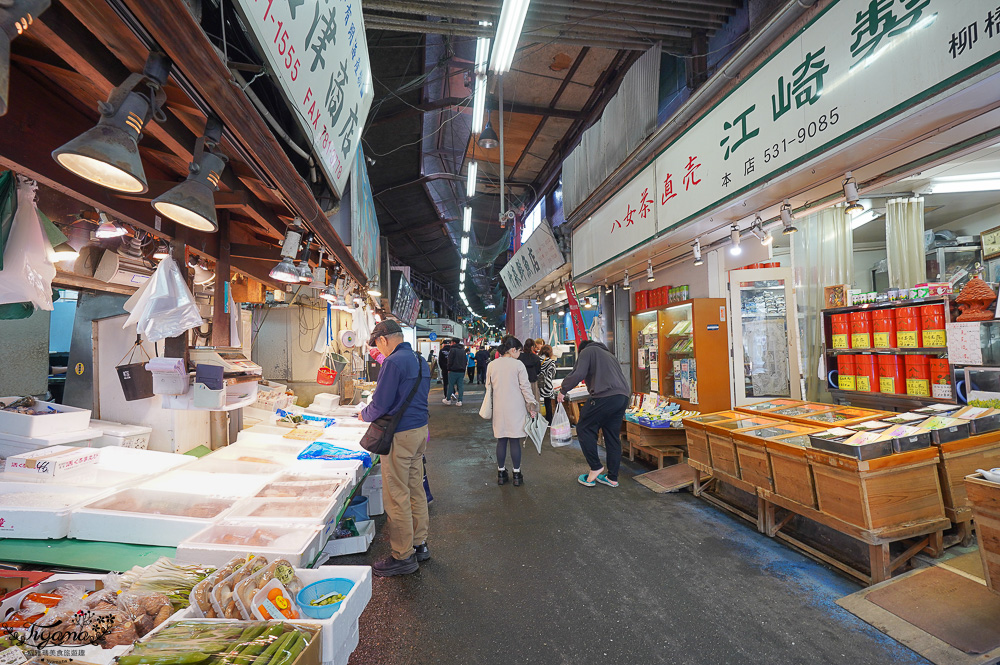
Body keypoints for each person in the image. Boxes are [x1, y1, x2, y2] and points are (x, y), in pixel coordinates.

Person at [359, 320, 431, 576]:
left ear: (384, 339)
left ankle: (402, 556)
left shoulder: (393, 362)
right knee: (415, 489)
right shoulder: (420, 359)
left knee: (397, 495)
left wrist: (362, 415)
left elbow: (380, 404)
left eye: (378, 344)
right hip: (419, 432)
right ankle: (419, 544)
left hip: (400, 436)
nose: (381, 350)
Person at [557, 339, 630, 488]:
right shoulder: (609, 355)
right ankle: (612, 478)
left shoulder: (587, 351)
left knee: (584, 427)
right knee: (611, 436)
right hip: (622, 397)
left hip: (604, 396)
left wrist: (563, 390)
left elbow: (579, 373)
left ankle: (596, 466)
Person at [485, 336, 537, 486]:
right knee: (515, 441)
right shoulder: (518, 365)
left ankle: (501, 473)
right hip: (516, 407)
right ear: (513, 350)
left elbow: (488, 387)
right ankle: (516, 474)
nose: (520, 354)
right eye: (519, 351)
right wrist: (532, 403)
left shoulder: (492, 365)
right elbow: (525, 388)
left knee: (501, 440)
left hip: (499, 408)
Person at [519, 337, 542, 407]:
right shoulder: (536, 358)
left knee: (522, 403)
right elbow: (538, 371)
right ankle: (534, 417)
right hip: (532, 382)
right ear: (532, 347)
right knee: (533, 403)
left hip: (521, 383)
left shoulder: (520, 357)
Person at [538, 344, 558, 424]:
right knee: (548, 403)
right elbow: (553, 373)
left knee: (537, 402)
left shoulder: (537, 360)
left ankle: (538, 421)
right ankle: (549, 421)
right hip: (547, 385)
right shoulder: (551, 362)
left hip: (538, 384)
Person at [445, 340, 468, 406]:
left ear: (454, 342)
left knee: (451, 385)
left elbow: (450, 360)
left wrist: (449, 368)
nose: (450, 344)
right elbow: (465, 360)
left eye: (451, 342)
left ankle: (448, 399)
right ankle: (460, 401)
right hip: (461, 371)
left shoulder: (453, 350)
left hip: (453, 370)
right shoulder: (463, 350)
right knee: (460, 386)